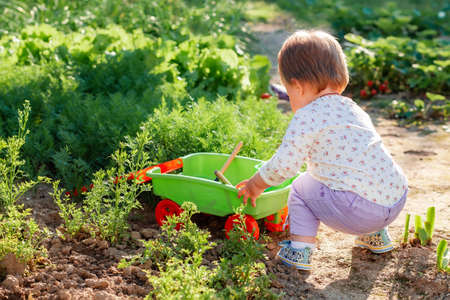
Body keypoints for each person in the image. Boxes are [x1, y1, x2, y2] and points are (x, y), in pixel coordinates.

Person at [237, 30, 408, 270]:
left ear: (297, 86)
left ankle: (300, 251)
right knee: (363, 173)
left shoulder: (307, 116)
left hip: (359, 211)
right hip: (395, 198)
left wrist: (255, 184)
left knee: (299, 187)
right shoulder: (352, 108)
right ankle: (376, 236)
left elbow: (285, 165)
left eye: (288, 91)